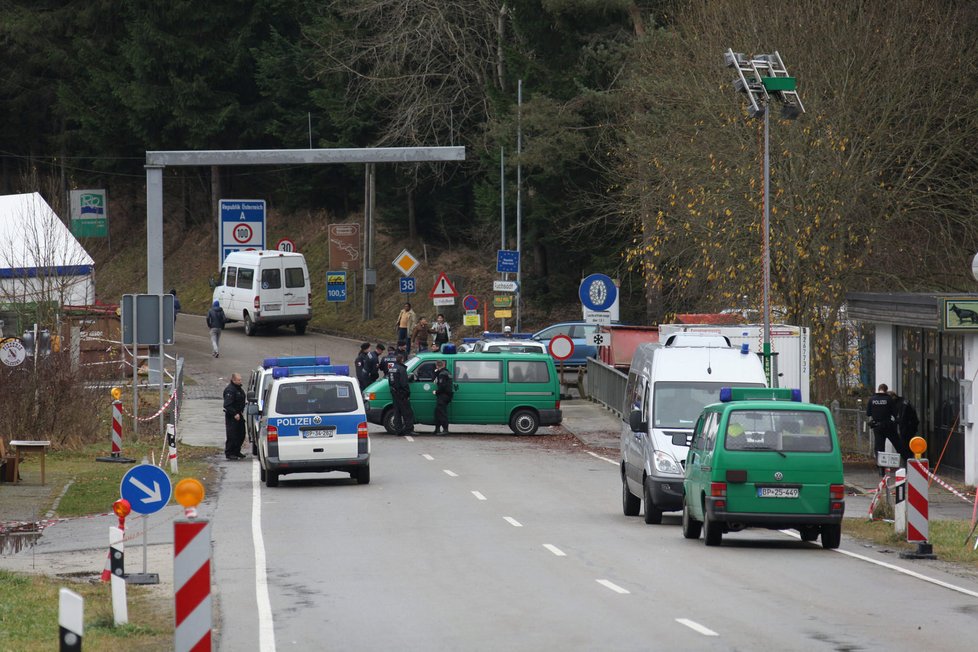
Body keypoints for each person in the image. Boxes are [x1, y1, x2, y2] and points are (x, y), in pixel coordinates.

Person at [867, 383, 902, 472]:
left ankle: (881, 469)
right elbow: (895, 412)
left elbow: (868, 413)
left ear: (878, 389)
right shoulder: (888, 399)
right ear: (886, 390)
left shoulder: (872, 399)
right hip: (888, 426)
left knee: (879, 448)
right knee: (898, 444)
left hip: (877, 427)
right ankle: (905, 463)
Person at [388, 353, 415, 435]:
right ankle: (409, 430)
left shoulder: (392, 368)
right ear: (402, 360)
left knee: (397, 412)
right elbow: (404, 383)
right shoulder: (401, 369)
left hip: (394, 392)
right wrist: (407, 393)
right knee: (407, 412)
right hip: (402, 393)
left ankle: (398, 430)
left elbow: (390, 381)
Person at [223, 373, 247, 460]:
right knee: (232, 435)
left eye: (240, 379)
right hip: (232, 416)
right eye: (238, 380)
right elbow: (227, 405)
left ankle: (237, 451)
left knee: (241, 434)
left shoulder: (238, 389)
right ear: (233, 380)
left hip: (239, 414)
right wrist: (234, 413)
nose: (240, 381)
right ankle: (229, 453)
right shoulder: (230, 390)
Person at [890, 390, 919, 459]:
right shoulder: (903, 401)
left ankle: (907, 460)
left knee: (904, 445)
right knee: (907, 444)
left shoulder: (900, 404)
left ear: (893, 397)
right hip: (910, 426)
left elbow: (901, 418)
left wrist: (895, 423)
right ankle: (908, 458)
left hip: (907, 427)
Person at [432, 359, 453, 434]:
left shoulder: (442, 374)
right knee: (437, 412)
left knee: (442, 413)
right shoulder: (446, 372)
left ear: (437, 366)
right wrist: (436, 372)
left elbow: (442, 386)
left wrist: (436, 392)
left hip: (443, 395)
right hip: (447, 395)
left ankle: (445, 430)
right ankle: (437, 429)